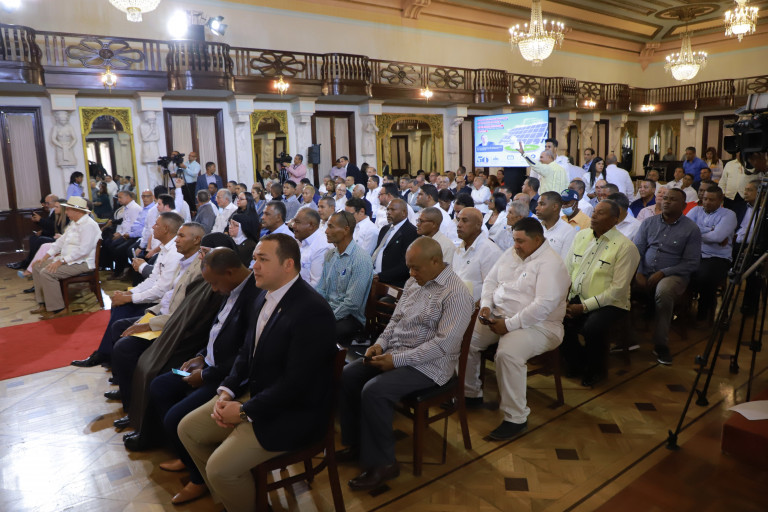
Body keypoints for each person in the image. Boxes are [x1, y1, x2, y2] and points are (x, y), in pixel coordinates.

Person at [177, 234, 337, 512]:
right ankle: (235, 500)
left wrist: (243, 411)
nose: (254, 266)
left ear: (288, 265)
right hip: (259, 394)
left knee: (219, 469)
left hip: (293, 413)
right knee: (187, 430)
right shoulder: (263, 295)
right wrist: (226, 391)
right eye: (254, 258)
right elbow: (246, 352)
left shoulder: (312, 311)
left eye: (263, 259)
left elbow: (296, 384)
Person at [339, 237, 473, 490]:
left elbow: (443, 345)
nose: (410, 274)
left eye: (415, 268)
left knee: (375, 391)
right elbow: (395, 320)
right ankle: (358, 445)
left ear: (436, 262)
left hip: (430, 366)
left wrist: (397, 360)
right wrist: (380, 344)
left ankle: (384, 464)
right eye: (409, 267)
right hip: (397, 352)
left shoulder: (456, 294)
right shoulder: (414, 282)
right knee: (348, 375)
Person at [146, 247, 259, 504]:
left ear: (229, 273)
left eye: (215, 283)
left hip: (224, 378)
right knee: (160, 384)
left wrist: (206, 375)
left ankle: (198, 479)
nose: (214, 289)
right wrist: (200, 356)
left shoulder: (254, 296)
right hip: (205, 365)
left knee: (175, 418)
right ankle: (186, 455)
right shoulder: (229, 289)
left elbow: (244, 354)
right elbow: (217, 331)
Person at [463, 217, 570, 440]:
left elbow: (543, 306)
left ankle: (516, 418)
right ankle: (470, 393)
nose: (516, 246)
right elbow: (490, 281)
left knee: (507, 354)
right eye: (514, 240)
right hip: (500, 317)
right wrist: (486, 306)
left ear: (538, 240)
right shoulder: (512, 253)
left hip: (539, 326)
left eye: (520, 241)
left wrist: (509, 325)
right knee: (466, 337)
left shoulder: (552, 264)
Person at [71, 212, 185, 369]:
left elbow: (161, 290)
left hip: (161, 304)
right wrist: (129, 293)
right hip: (157, 297)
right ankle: (109, 355)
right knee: (119, 303)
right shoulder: (166, 248)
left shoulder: (174, 252)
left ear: (166, 229)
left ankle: (107, 355)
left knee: (122, 308)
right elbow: (152, 279)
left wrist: (130, 298)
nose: (153, 227)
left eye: (156, 224)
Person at [561, 201, 640, 386]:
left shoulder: (625, 247)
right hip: (578, 296)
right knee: (555, 318)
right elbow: (566, 270)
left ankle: (596, 370)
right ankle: (578, 362)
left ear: (615, 220)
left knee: (592, 328)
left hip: (611, 303)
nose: (594, 216)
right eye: (594, 211)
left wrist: (584, 307)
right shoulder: (581, 236)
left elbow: (617, 290)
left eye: (600, 213)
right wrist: (564, 299)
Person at [633, 188, 701, 365]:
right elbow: (636, 251)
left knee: (663, 291)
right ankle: (627, 337)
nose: (667, 202)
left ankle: (660, 344)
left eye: (673, 199)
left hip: (674, 275)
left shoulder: (691, 229)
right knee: (620, 285)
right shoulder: (648, 223)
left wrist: (664, 272)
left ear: (684, 205)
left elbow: (691, 263)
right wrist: (639, 271)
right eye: (665, 198)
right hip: (645, 271)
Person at [29, 197, 101, 319]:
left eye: (68, 209)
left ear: (77, 211)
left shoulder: (89, 225)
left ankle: (58, 309)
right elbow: (60, 242)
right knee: (37, 266)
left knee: (47, 273)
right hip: (70, 260)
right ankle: (43, 303)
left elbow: (83, 251)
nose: (66, 212)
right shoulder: (74, 223)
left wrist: (61, 261)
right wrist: (45, 257)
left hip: (83, 263)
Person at [317, 211, 374, 346]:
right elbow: (321, 289)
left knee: (317, 332)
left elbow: (352, 303)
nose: (326, 231)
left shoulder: (360, 259)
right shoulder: (330, 254)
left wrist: (328, 317)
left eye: (331, 226)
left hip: (350, 318)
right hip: (329, 310)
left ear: (346, 230)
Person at [686, 186, 737, 322]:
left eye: (712, 200)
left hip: (717, 256)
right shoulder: (695, 210)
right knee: (676, 271)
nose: (707, 202)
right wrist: (710, 229)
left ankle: (704, 310)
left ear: (720, 200)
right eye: (705, 199)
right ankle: (681, 308)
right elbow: (684, 229)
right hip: (693, 253)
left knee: (705, 276)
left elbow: (717, 237)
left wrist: (696, 232)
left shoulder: (729, 214)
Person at [453, 207, 502, 301]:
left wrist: (478, 306)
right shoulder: (459, 249)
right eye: (458, 220)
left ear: (478, 225)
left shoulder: (490, 251)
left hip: (476, 308)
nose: (459, 225)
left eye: (464, 221)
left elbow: (493, 289)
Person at [372, 199, 419, 288]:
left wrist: (381, 276)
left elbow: (406, 265)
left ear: (404, 213)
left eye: (392, 210)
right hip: (375, 278)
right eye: (387, 209)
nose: (388, 213)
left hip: (393, 284)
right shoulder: (384, 229)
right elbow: (377, 251)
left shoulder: (412, 232)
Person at [293, 208, 330, 287]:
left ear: (311, 226)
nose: (293, 226)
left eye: (297, 222)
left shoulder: (321, 247)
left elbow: (316, 285)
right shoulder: (300, 239)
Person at [535, 191, 576, 261]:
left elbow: (564, 263)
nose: (537, 208)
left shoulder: (568, 232)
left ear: (555, 207)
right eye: (537, 204)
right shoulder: (535, 228)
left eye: (542, 204)